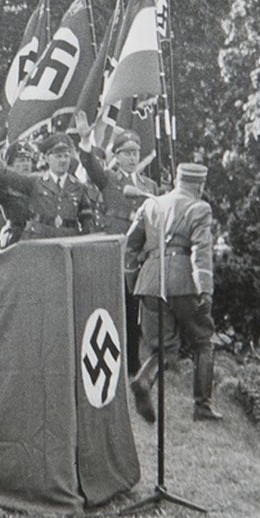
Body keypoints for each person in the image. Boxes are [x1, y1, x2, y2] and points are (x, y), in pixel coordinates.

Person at [126, 161, 223, 425]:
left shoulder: (152, 204)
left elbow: (130, 246)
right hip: (183, 282)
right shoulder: (199, 207)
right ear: (199, 186)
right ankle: (202, 406)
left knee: (165, 349)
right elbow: (200, 252)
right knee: (204, 341)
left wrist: (135, 280)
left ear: (178, 182)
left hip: (151, 281)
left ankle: (144, 380)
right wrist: (205, 290)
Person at [74, 110, 158, 374]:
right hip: (114, 250)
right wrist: (86, 142)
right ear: (117, 156)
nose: (132, 158)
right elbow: (90, 165)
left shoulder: (150, 186)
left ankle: (132, 365)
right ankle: (105, 361)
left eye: (135, 153)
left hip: (139, 256)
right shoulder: (109, 179)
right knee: (110, 305)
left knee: (134, 311)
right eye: (126, 153)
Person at [0, 133, 94, 241]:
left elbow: (87, 220)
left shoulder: (79, 187)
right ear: (47, 159)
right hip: (40, 240)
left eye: (66, 156)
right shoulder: (35, 181)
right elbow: (15, 179)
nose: (63, 160)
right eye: (58, 156)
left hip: (68, 240)